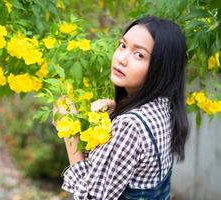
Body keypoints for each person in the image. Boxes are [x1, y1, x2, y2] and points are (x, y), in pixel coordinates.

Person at [54, 15, 190, 200]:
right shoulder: (165, 107)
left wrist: (70, 133)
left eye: (139, 54)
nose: (122, 59)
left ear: (161, 69)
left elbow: (92, 198)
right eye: (123, 45)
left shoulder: (131, 126)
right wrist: (120, 108)